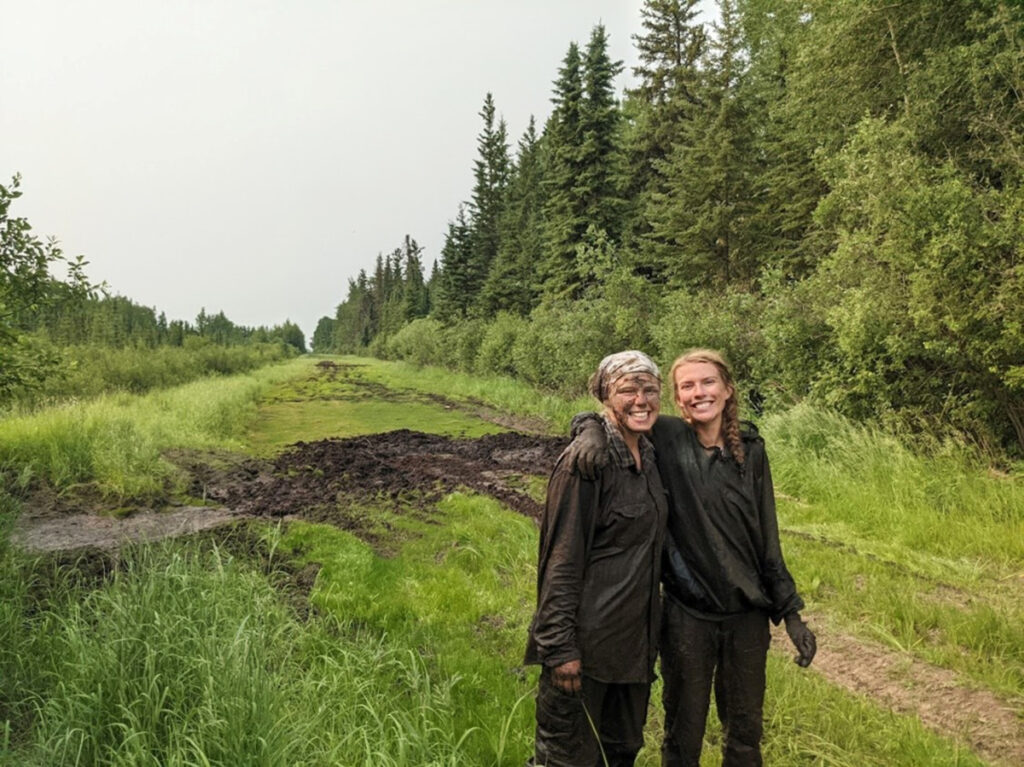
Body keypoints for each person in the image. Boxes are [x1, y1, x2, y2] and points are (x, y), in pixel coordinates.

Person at [570, 348, 815, 767]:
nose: (699, 392)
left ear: (727, 390)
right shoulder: (664, 437)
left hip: (747, 619)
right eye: (687, 386)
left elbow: (768, 538)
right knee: (684, 735)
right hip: (687, 616)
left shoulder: (751, 451)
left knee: (745, 733)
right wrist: (587, 431)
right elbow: (610, 410)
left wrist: (789, 611)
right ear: (678, 399)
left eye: (708, 382)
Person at [524, 350, 669, 767]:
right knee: (566, 759)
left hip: (632, 653)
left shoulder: (651, 453)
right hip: (584, 652)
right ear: (607, 395)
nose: (641, 400)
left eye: (650, 389)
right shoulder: (584, 464)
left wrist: (584, 422)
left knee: (621, 754)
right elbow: (561, 562)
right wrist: (559, 649)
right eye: (628, 390)